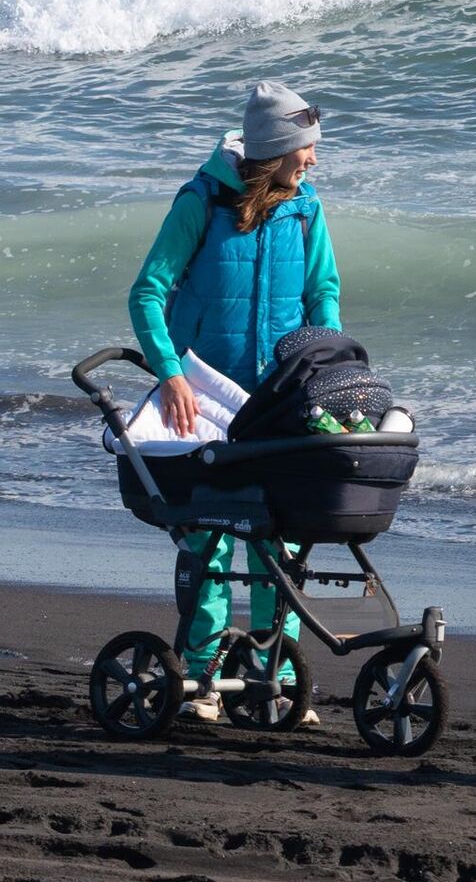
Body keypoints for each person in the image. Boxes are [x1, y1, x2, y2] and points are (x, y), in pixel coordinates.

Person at [127, 80, 341, 723]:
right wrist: (170, 375)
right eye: (305, 148)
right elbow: (147, 294)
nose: (313, 160)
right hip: (206, 404)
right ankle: (202, 679)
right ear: (274, 149)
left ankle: (279, 679)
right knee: (209, 544)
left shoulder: (306, 210)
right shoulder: (200, 203)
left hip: (278, 403)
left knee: (283, 542)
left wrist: (318, 364)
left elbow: (322, 296)